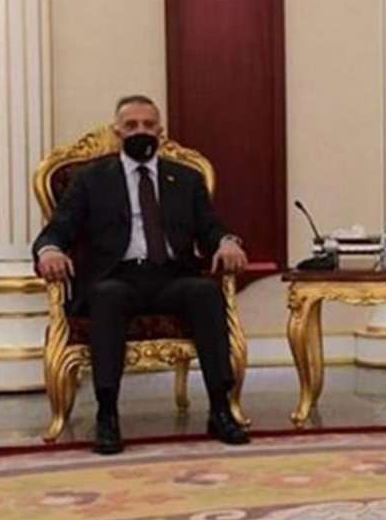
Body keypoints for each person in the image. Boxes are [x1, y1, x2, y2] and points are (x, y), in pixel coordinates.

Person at [33, 95, 250, 454]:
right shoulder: (91, 180)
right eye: (131, 125)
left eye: (148, 125)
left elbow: (210, 227)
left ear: (160, 132)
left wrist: (227, 242)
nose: (141, 132)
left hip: (170, 276)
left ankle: (220, 409)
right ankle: (107, 414)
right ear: (117, 132)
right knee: (108, 296)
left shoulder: (186, 178)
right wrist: (50, 250)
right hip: (116, 277)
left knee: (205, 293)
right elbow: (58, 229)